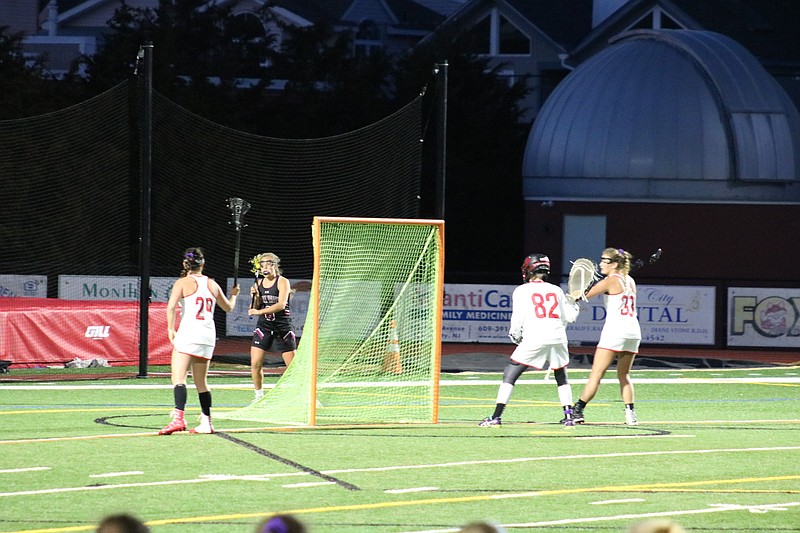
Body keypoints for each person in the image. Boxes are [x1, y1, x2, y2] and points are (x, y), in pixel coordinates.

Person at [479, 253, 580, 427]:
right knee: (561, 375)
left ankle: (496, 416)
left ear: (528, 270)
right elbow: (570, 317)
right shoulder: (556, 290)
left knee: (510, 372)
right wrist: (574, 303)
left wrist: (515, 335)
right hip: (557, 336)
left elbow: (518, 318)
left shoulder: (521, 290)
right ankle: (569, 417)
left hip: (536, 335)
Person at [159, 248, 239, 435]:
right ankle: (206, 422)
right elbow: (228, 307)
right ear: (202, 264)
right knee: (201, 382)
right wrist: (234, 294)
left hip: (189, 333)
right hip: (207, 336)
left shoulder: (182, 282)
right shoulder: (212, 284)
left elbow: (170, 307)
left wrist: (171, 328)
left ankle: (179, 418)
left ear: (185, 264)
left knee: (178, 378)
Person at [571, 247, 642, 426]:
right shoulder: (630, 280)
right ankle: (630, 414)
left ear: (615, 264)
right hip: (633, 332)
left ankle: (578, 410)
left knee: (596, 374)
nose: (601, 264)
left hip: (615, 331)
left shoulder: (610, 280)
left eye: (605, 261)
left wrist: (576, 293)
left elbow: (583, 296)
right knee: (624, 375)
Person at [248, 252, 297, 401]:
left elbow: (281, 305)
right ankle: (259, 396)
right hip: (264, 326)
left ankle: (306, 396)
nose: (264, 267)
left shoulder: (282, 282)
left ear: (274, 265)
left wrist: (259, 311)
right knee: (255, 363)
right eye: (262, 264)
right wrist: (254, 297)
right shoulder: (258, 283)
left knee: (293, 367)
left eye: (267, 263)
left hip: (282, 327)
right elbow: (255, 306)